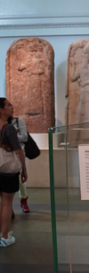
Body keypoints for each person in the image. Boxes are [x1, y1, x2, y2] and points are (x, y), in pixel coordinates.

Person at [0, 98, 28, 246]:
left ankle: (1, 233)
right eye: (8, 105)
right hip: (7, 170)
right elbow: (18, 150)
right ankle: (4, 237)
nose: (12, 107)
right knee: (6, 203)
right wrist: (24, 168)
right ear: (1, 110)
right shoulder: (9, 128)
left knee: (2, 202)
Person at [10, 115, 30, 213]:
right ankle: (8, 205)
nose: (11, 109)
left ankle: (23, 199)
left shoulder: (18, 120)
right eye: (9, 107)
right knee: (6, 181)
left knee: (21, 179)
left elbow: (25, 137)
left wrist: (10, 137)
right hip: (4, 155)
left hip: (18, 153)